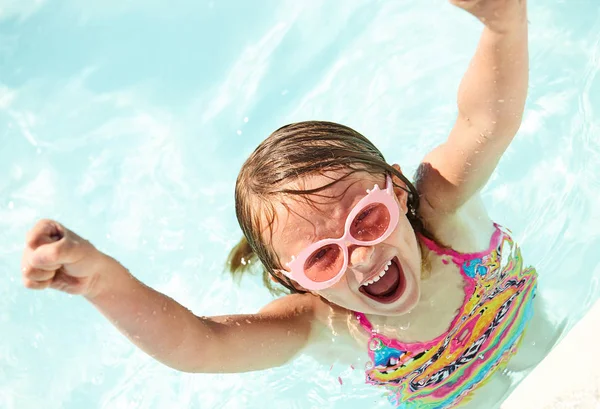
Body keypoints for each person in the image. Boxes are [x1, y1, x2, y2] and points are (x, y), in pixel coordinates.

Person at [21, 1, 552, 407]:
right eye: (323, 257)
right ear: (293, 279)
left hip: (532, 331)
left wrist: (503, 22)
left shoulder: (443, 215)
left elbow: (483, 122)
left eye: (368, 219)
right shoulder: (319, 322)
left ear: (397, 188)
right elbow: (200, 345)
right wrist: (102, 281)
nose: (362, 258)